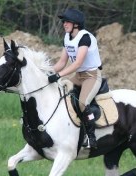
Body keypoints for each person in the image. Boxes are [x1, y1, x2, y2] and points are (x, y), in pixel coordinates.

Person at [48, 8, 102, 149]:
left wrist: (59, 75)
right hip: (78, 76)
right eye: (64, 22)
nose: (64, 24)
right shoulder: (67, 37)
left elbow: (77, 62)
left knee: (83, 103)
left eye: (67, 22)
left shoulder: (85, 37)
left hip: (91, 76)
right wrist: (47, 72)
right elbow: (61, 63)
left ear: (76, 24)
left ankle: (91, 138)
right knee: (60, 95)